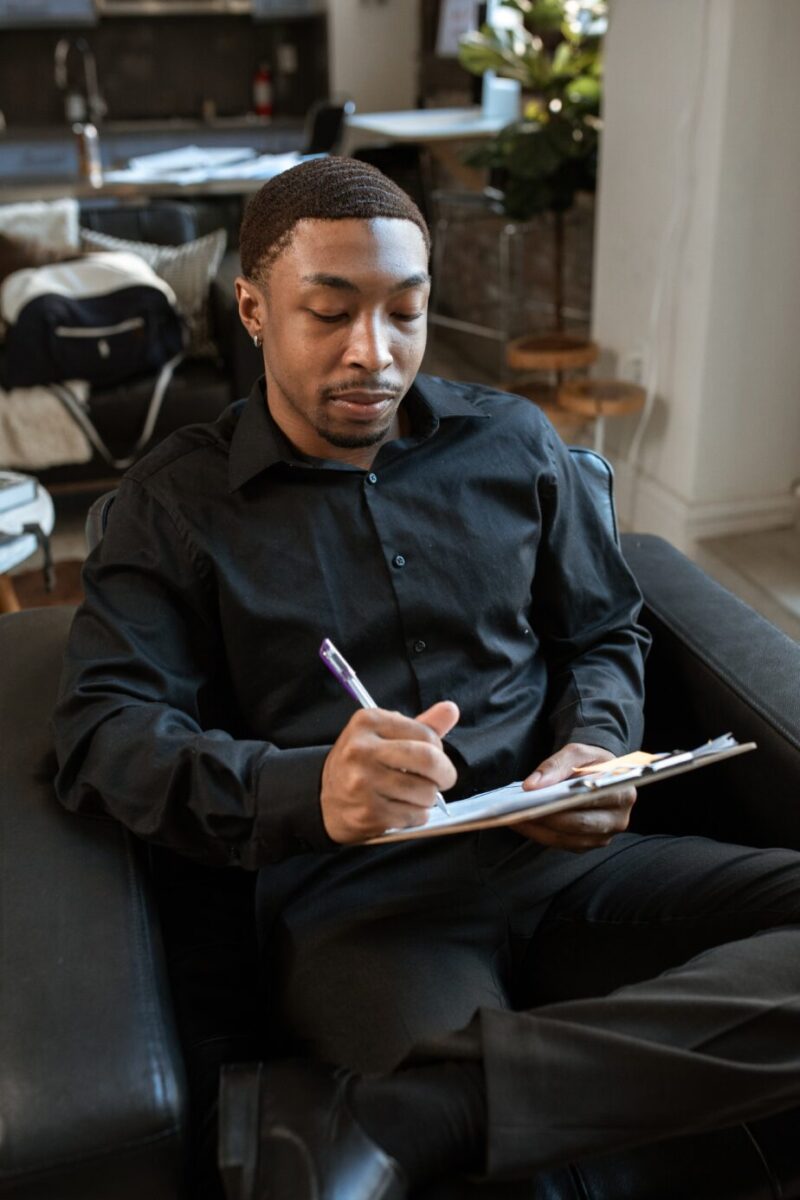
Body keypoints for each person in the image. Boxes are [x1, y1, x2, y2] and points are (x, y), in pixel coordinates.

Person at [53, 157, 800, 1200]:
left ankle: (419, 1110)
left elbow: (603, 629)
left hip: (564, 865)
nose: (375, 352)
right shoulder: (171, 506)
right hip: (362, 912)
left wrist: (591, 742)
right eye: (330, 312)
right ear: (254, 310)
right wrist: (306, 785)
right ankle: (494, 1102)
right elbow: (103, 734)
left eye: (405, 313)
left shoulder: (512, 442)